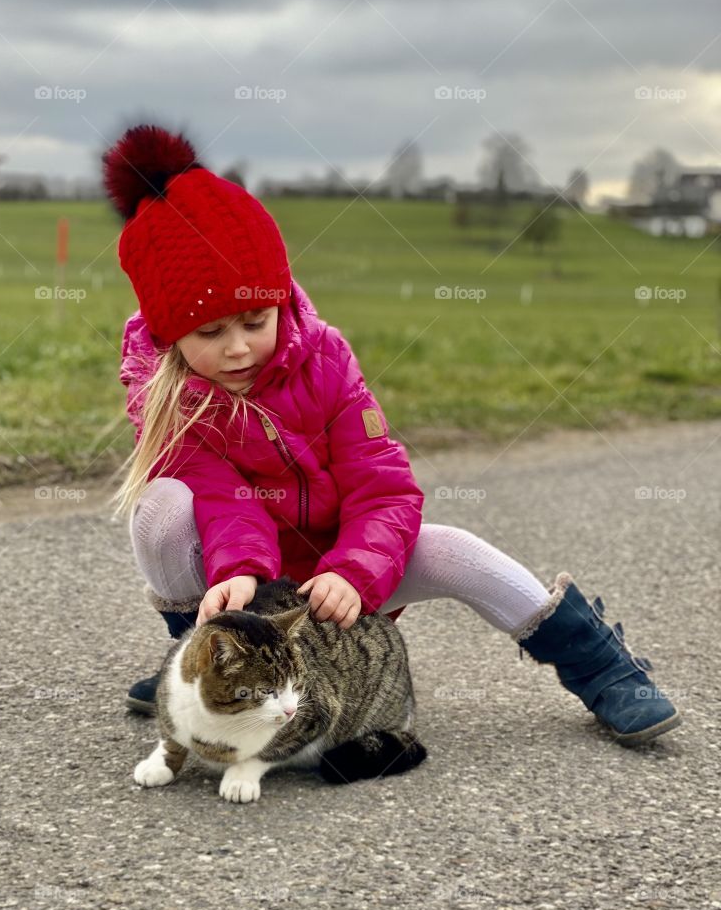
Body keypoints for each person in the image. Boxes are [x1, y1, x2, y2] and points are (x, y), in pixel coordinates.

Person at [102, 122, 681, 747]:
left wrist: (352, 572)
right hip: (243, 584)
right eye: (211, 333)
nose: (239, 348)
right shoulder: (171, 400)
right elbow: (221, 500)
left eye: (254, 321)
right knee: (162, 506)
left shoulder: (324, 361)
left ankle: (602, 666)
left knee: (456, 549)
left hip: (344, 571)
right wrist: (240, 572)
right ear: (169, 335)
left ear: (279, 303)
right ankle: (203, 658)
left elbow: (384, 489)